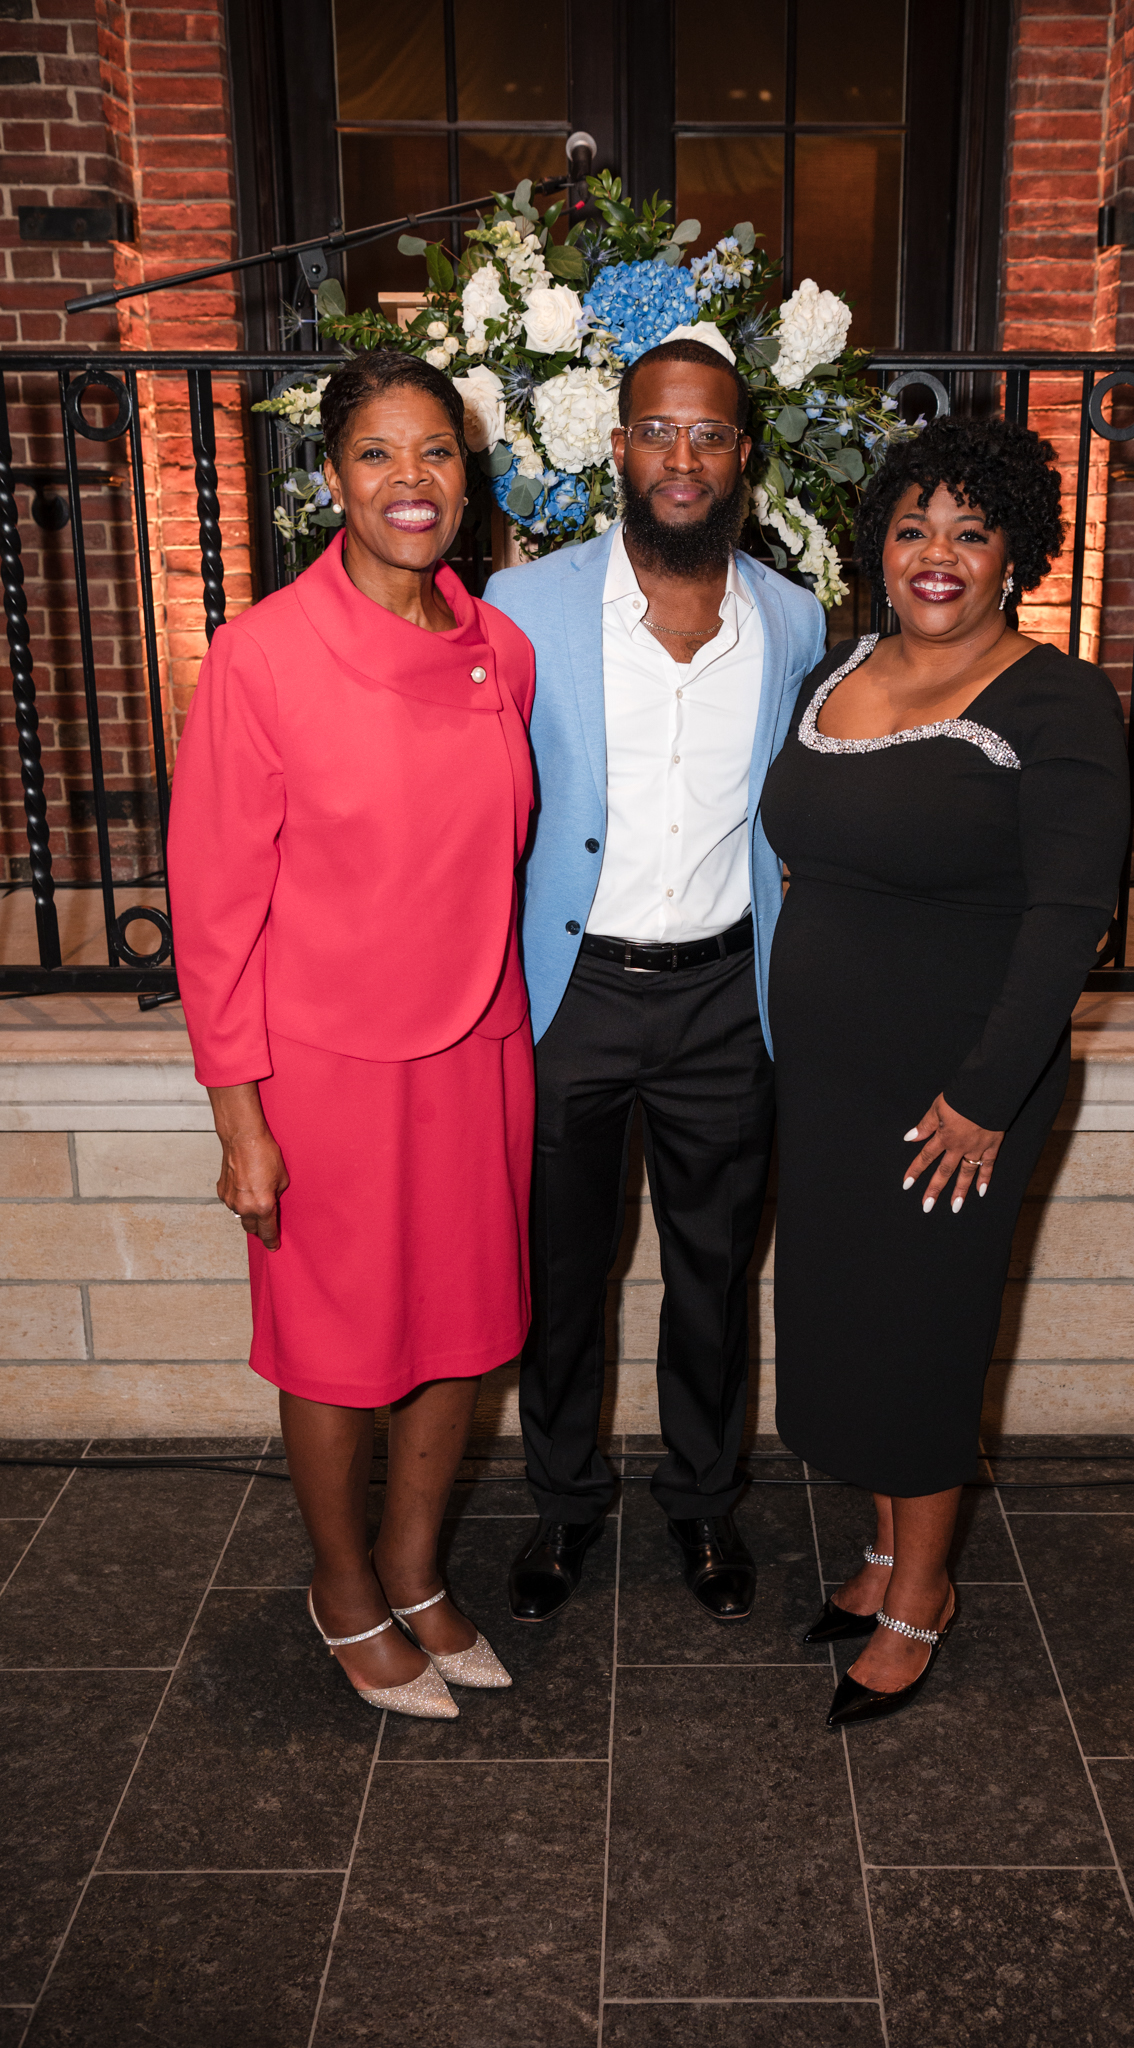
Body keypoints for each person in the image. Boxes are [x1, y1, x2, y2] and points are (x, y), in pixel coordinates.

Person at [168, 351, 536, 1719]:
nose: (410, 480)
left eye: (435, 451)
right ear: (332, 480)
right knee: (336, 1345)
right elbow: (214, 910)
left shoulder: (504, 651)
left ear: (467, 477)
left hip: (481, 1047)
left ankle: (418, 1573)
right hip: (321, 1070)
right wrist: (241, 1122)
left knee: (463, 1329)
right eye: (378, 453)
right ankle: (342, 1589)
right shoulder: (262, 656)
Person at [759, 415, 1130, 1726]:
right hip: (828, 1080)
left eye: (972, 533)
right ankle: (879, 1553)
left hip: (956, 1090)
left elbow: (1069, 919)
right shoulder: (840, 668)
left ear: (1014, 553)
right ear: (880, 543)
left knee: (920, 1335)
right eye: (915, 527)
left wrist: (983, 1096)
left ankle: (921, 1597)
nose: (938, 555)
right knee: (851, 1321)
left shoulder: (1056, 699)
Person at [484, 336, 825, 1626]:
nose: (684, 458)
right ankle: (564, 1501)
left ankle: (703, 1501)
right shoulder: (526, 607)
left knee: (714, 1276)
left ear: (744, 455)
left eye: (711, 434)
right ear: (619, 446)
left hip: (727, 1001)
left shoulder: (791, 620)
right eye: (659, 431)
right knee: (560, 1276)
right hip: (570, 995)